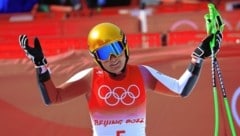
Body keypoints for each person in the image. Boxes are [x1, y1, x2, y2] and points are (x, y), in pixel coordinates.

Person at [18, 22, 222, 136]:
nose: (113, 58)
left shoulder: (142, 74)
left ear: (125, 47)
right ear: (96, 58)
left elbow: (181, 89)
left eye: (115, 49)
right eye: (104, 53)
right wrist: (41, 66)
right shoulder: (91, 78)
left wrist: (197, 59)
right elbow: (53, 97)